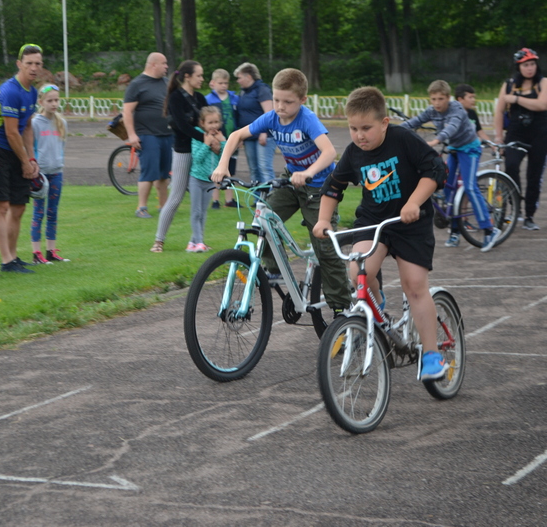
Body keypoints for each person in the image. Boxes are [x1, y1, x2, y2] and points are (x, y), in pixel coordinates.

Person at [312, 86, 449, 380]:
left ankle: (432, 354)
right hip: (374, 223)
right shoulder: (353, 154)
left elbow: (435, 171)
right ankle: (377, 307)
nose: (360, 135)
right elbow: (333, 187)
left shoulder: (403, 140)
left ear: (384, 123)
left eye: (366, 128)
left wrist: (414, 202)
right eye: (353, 128)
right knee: (357, 272)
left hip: (411, 224)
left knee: (414, 286)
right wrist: (324, 220)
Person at [211, 68, 352, 316]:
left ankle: (342, 308)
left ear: (302, 100)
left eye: (288, 102)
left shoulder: (307, 119)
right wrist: (222, 165)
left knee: (324, 246)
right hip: (291, 180)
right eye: (276, 100)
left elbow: (329, 152)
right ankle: (274, 270)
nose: (280, 106)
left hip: (319, 186)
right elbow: (235, 135)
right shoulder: (272, 117)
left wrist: (308, 173)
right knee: (263, 217)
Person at [401, 80, 501, 251]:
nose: (437, 103)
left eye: (441, 99)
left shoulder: (457, 109)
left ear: (448, 97)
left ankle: (489, 229)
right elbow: (414, 122)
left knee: (469, 187)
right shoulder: (433, 110)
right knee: (447, 188)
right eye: (433, 99)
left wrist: (436, 140)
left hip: (470, 149)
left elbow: (452, 127)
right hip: (454, 149)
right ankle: (455, 231)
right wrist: (390, 131)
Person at [0, 43, 43, 274]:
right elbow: (11, 132)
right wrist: (23, 161)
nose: (33, 68)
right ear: (19, 64)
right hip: (1, 152)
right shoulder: (10, 90)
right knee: (1, 206)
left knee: (19, 207)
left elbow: (27, 127)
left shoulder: (32, 92)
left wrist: (31, 159)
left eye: (38, 64)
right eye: (29, 63)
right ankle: (6, 259)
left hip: (18, 151)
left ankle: (13, 256)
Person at [150, 60, 216, 253]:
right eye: (199, 75)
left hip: (202, 152)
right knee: (176, 196)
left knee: (203, 199)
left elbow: (207, 122)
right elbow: (181, 125)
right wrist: (205, 138)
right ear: (187, 76)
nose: (202, 79)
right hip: (184, 151)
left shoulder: (201, 98)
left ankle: (197, 240)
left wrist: (213, 137)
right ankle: (159, 241)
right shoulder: (176, 97)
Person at [493, 47, 547, 231]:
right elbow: (499, 111)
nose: (530, 68)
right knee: (511, 167)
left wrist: (515, 99)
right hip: (515, 133)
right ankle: (513, 207)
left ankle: (529, 215)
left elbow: (542, 104)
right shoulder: (508, 85)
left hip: (539, 135)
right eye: (525, 65)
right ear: (519, 67)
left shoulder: (543, 82)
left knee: (534, 176)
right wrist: (499, 137)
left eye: (532, 64)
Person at [122, 52, 173, 219]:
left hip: (166, 133)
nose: (166, 66)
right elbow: (127, 111)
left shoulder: (166, 83)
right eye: (164, 63)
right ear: (153, 65)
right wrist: (132, 135)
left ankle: (164, 207)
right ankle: (141, 207)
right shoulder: (137, 84)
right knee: (149, 173)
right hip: (147, 134)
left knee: (164, 174)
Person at [30, 84, 70, 264]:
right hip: (41, 175)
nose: (54, 104)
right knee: (39, 213)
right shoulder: (35, 123)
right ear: (41, 102)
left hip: (56, 173)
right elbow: (31, 146)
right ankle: (36, 252)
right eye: (50, 101)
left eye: (56, 100)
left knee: (53, 212)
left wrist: (58, 163)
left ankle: (51, 250)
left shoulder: (62, 123)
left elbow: (61, 146)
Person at [188, 106, 226, 252]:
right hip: (196, 179)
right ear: (202, 123)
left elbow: (224, 157)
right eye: (210, 123)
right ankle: (199, 242)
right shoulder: (198, 135)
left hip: (210, 180)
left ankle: (195, 242)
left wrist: (222, 142)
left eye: (216, 122)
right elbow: (197, 158)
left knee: (203, 212)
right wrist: (206, 143)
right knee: (196, 212)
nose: (214, 126)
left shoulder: (219, 136)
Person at [234, 63, 275, 183]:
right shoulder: (243, 92)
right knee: (253, 169)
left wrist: (264, 132)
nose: (238, 81)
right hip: (249, 136)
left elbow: (269, 113)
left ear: (249, 77)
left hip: (263, 136)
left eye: (240, 77)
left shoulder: (262, 90)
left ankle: (270, 199)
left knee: (264, 168)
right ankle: (257, 200)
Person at [205, 68, 239, 209]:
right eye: (220, 83)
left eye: (226, 83)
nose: (224, 86)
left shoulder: (234, 98)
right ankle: (215, 200)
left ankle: (229, 200)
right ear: (213, 83)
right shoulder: (208, 99)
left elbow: (239, 118)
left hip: (231, 138)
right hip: (216, 139)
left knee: (230, 168)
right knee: (216, 168)